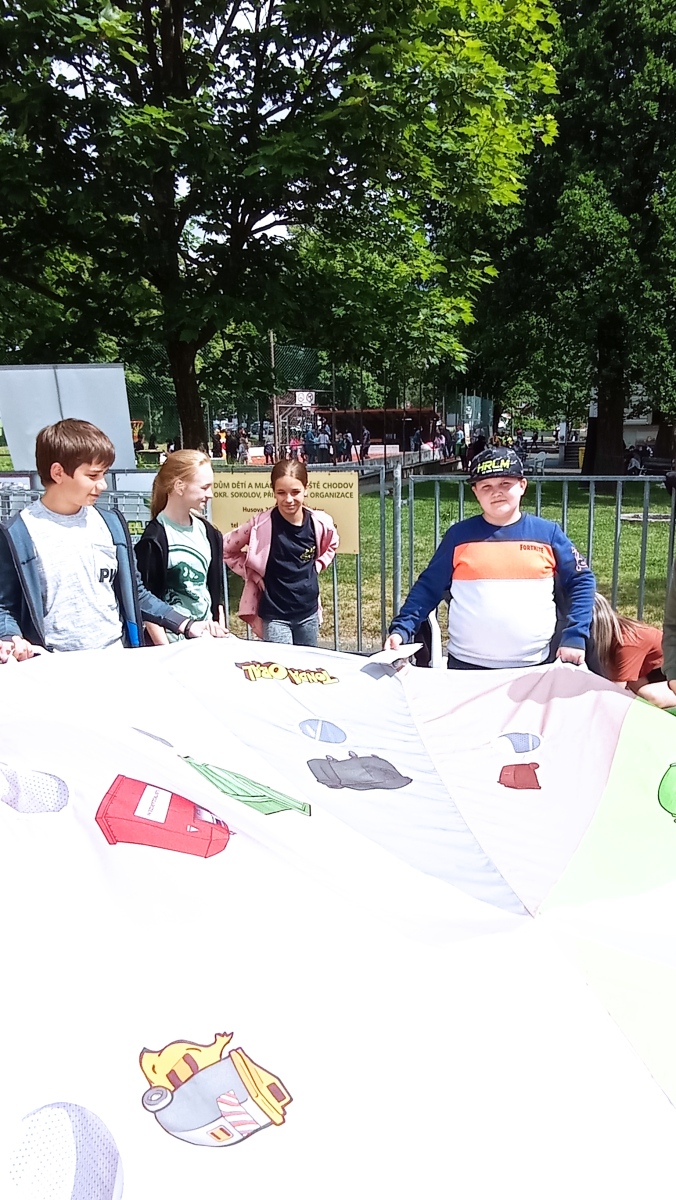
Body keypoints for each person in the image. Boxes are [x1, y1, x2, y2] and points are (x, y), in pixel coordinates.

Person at [0, 419, 223, 657]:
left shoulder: (112, 525)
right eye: (93, 475)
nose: (103, 485)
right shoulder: (18, 533)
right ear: (58, 472)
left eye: (104, 474)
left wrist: (186, 624)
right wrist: (9, 637)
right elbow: (5, 607)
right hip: (56, 667)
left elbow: (136, 593)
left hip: (117, 660)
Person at [384, 447, 595, 669]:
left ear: (522, 485)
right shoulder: (458, 536)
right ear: (475, 491)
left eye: (505, 483)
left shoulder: (548, 534)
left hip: (534, 666)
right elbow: (428, 588)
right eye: (486, 486)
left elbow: (582, 580)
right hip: (466, 667)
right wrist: (402, 630)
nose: (496, 492)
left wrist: (575, 635)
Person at [222, 459, 338, 645]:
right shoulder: (260, 525)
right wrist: (252, 574)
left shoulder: (319, 523)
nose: (289, 499)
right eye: (281, 493)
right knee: (280, 663)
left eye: (295, 492)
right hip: (275, 616)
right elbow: (226, 549)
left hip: (308, 613)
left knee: (307, 663)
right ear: (273, 492)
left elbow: (332, 544)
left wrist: (318, 565)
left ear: (306, 489)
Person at [135, 451, 227, 646]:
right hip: (173, 643)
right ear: (179, 486)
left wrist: (220, 633)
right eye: (204, 487)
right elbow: (148, 602)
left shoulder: (209, 532)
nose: (210, 494)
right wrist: (166, 650)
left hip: (206, 641)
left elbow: (215, 594)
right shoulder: (155, 538)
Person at [592, 593, 673, 707]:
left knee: (647, 697)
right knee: (633, 691)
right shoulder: (613, 635)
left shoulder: (626, 643)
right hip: (652, 673)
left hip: (669, 673)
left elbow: (615, 693)